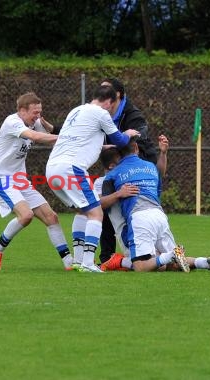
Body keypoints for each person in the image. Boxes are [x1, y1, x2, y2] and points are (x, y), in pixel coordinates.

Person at [45, 85, 140, 273]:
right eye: (114, 106)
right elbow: (121, 141)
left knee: (82, 211)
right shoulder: (101, 113)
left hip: (52, 170)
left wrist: (100, 147)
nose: (113, 110)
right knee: (96, 214)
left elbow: (79, 139)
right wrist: (128, 133)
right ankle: (88, 263)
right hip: (71, 168)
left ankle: (79, 260)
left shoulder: (76, 110)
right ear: (109, 101)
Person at [98, 142, 210, 272]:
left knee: (141, 266)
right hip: (159, 215)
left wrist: (118, 194)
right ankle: (204, 262)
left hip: (138, 219)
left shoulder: (112, 175)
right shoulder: (150, 167)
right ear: (136, 148)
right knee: (172, 264)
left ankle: (167, 256)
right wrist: (163, 153)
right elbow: (159, 177)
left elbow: (99, 205)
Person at [0, 92, 72, 271]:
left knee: (52, 217)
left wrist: (47, 124)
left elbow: (51, 137)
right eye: (35, 112)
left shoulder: (35, 122)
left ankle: (69, 263)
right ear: (22, 111)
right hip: (2, 178)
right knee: (26, 216)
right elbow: (36, 137)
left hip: (19, 179)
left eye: (40, 112)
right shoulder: (12, 122)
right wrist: (65, 138)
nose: (38, 116)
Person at [98, 77, 167, 265]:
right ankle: (108, 257)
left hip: (136, 166)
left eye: (106, 90)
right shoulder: (100, 112)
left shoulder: (132, 114)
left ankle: (117, 259)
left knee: (141, 265)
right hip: (126, 165)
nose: (100, 93)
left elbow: (137, 134)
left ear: (117, 95)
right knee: (109, 209)